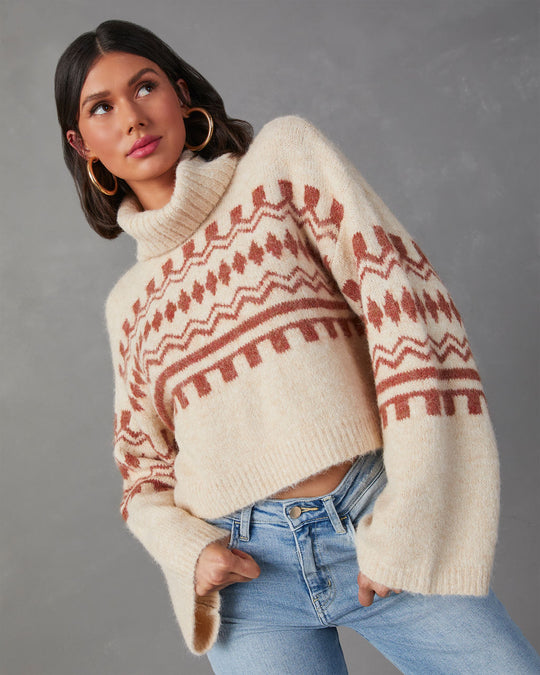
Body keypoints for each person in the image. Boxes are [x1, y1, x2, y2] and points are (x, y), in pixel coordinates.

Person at [54, 19, 540, 674]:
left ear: (180, 93)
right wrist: (191, 552)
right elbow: (143, 473)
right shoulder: (129, 305)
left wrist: (408, 519)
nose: (133, 118)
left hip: (371, 518)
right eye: (101, 107)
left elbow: (410, 322)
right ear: (82, 144)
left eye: (145, 87)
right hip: (248, 579)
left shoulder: (283, 165)